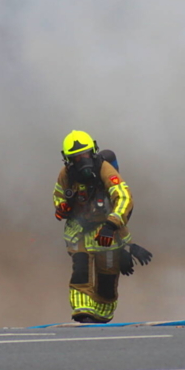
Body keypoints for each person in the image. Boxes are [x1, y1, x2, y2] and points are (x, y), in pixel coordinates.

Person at [52, 130, 151, 323]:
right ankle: (82, 311)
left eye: (85, 155)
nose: (82, 161)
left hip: (105, 230)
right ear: (68, 159)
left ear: (93, 152)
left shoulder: (105, 170)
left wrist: (114, 229)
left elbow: (124, 197)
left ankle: (101, 314)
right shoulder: (66, 175)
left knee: (107, 275)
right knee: (80, 268)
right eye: (76, 158)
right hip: (78, 230)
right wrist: (62, 206)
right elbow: (58, 196)